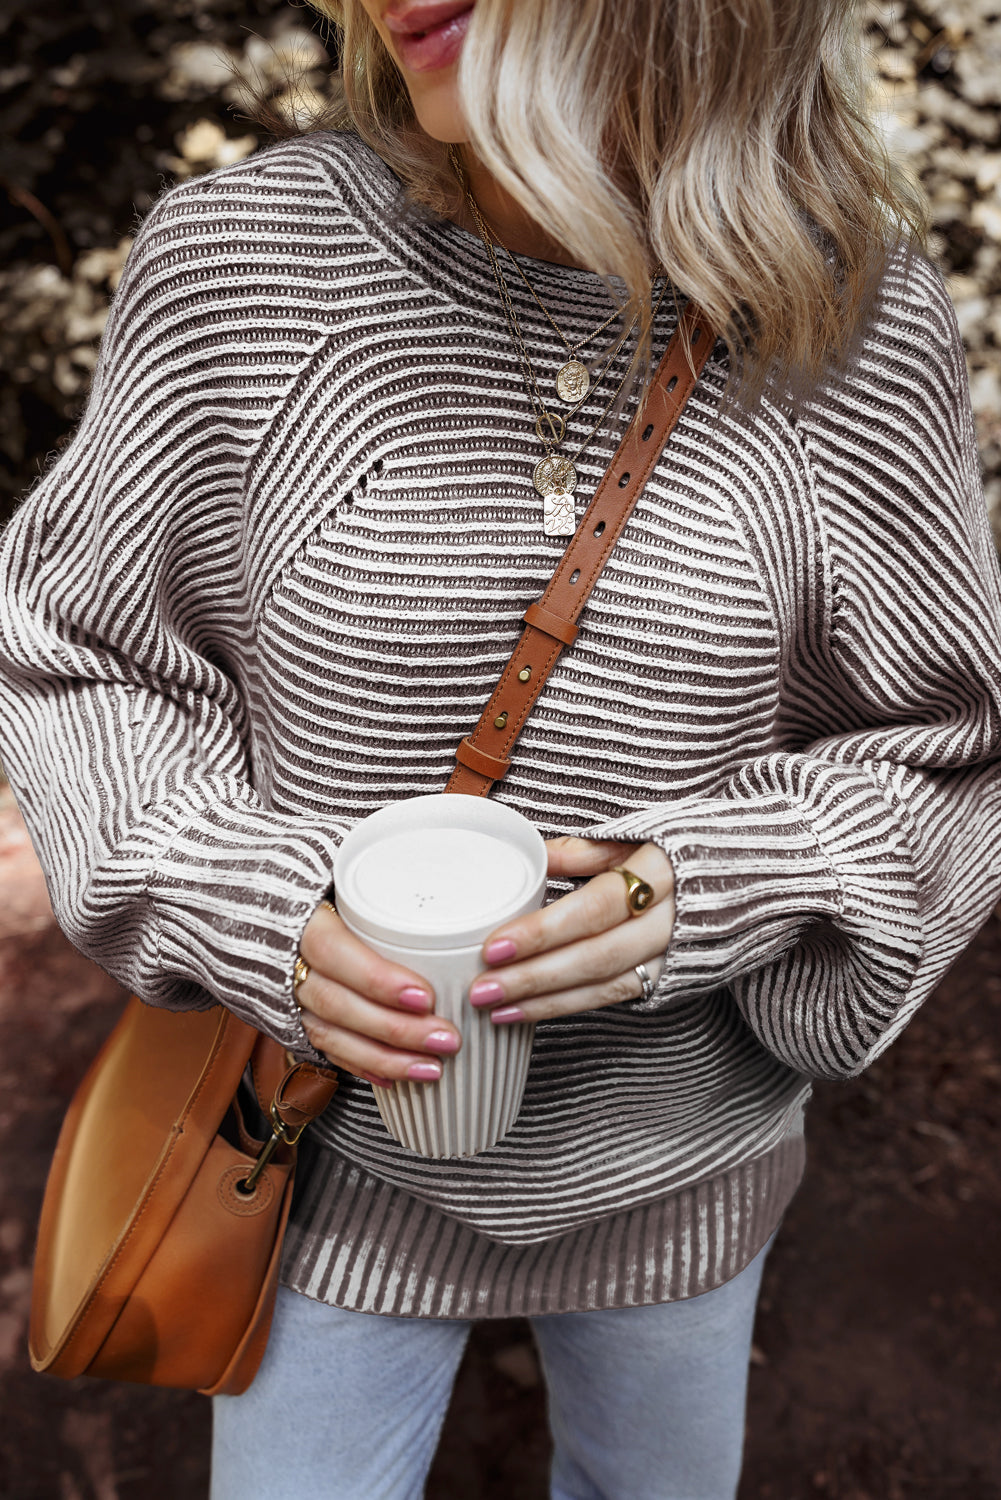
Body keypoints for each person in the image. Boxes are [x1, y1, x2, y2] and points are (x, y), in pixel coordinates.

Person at [2, 0, 1001, 1496]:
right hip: (312, 1162)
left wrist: (709, 884)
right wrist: (253, 904)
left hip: (682, 1165)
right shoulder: (244, 266)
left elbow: (943, 752)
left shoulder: (848, 318)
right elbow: (75, 651)